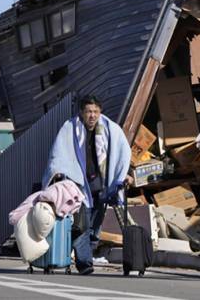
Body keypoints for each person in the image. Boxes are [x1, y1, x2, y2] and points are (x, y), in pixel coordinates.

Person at [42, 95, 132, 275]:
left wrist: (124, 175)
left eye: (96, 111)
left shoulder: (110, 129)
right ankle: (84, 263)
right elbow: (58, 153)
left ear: (100, 112)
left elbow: (123, 152)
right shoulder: (70, 128)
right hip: (78, 185)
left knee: (95, 227)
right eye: (89, 111)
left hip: (101, 184)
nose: (92, 115)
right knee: (82, 224)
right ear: (81, 112)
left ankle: (83, 254)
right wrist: (58, 172)